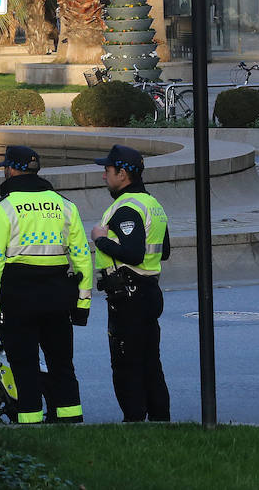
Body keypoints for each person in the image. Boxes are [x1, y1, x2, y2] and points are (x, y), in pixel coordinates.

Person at [0, 145, 93, 424]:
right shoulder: (65, 205)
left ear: (11, 169)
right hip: (57, 297)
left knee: (24, 365)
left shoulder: (3, 208)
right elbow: (82, 257)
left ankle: (30, 423)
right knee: (61, 363)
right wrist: (82, 305)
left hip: (19, 298)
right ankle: (70, 419)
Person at [90, 145, 171, 423]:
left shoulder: (127, 208)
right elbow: (165, 251)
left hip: (129, 295)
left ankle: (134, 422)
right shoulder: (152, 204)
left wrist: (101, 239)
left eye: (107, 170)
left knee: (126, 363)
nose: (104, 176)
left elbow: (134, 253)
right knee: (150, 363)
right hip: (149, 292)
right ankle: (161, 420)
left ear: (122, 174)